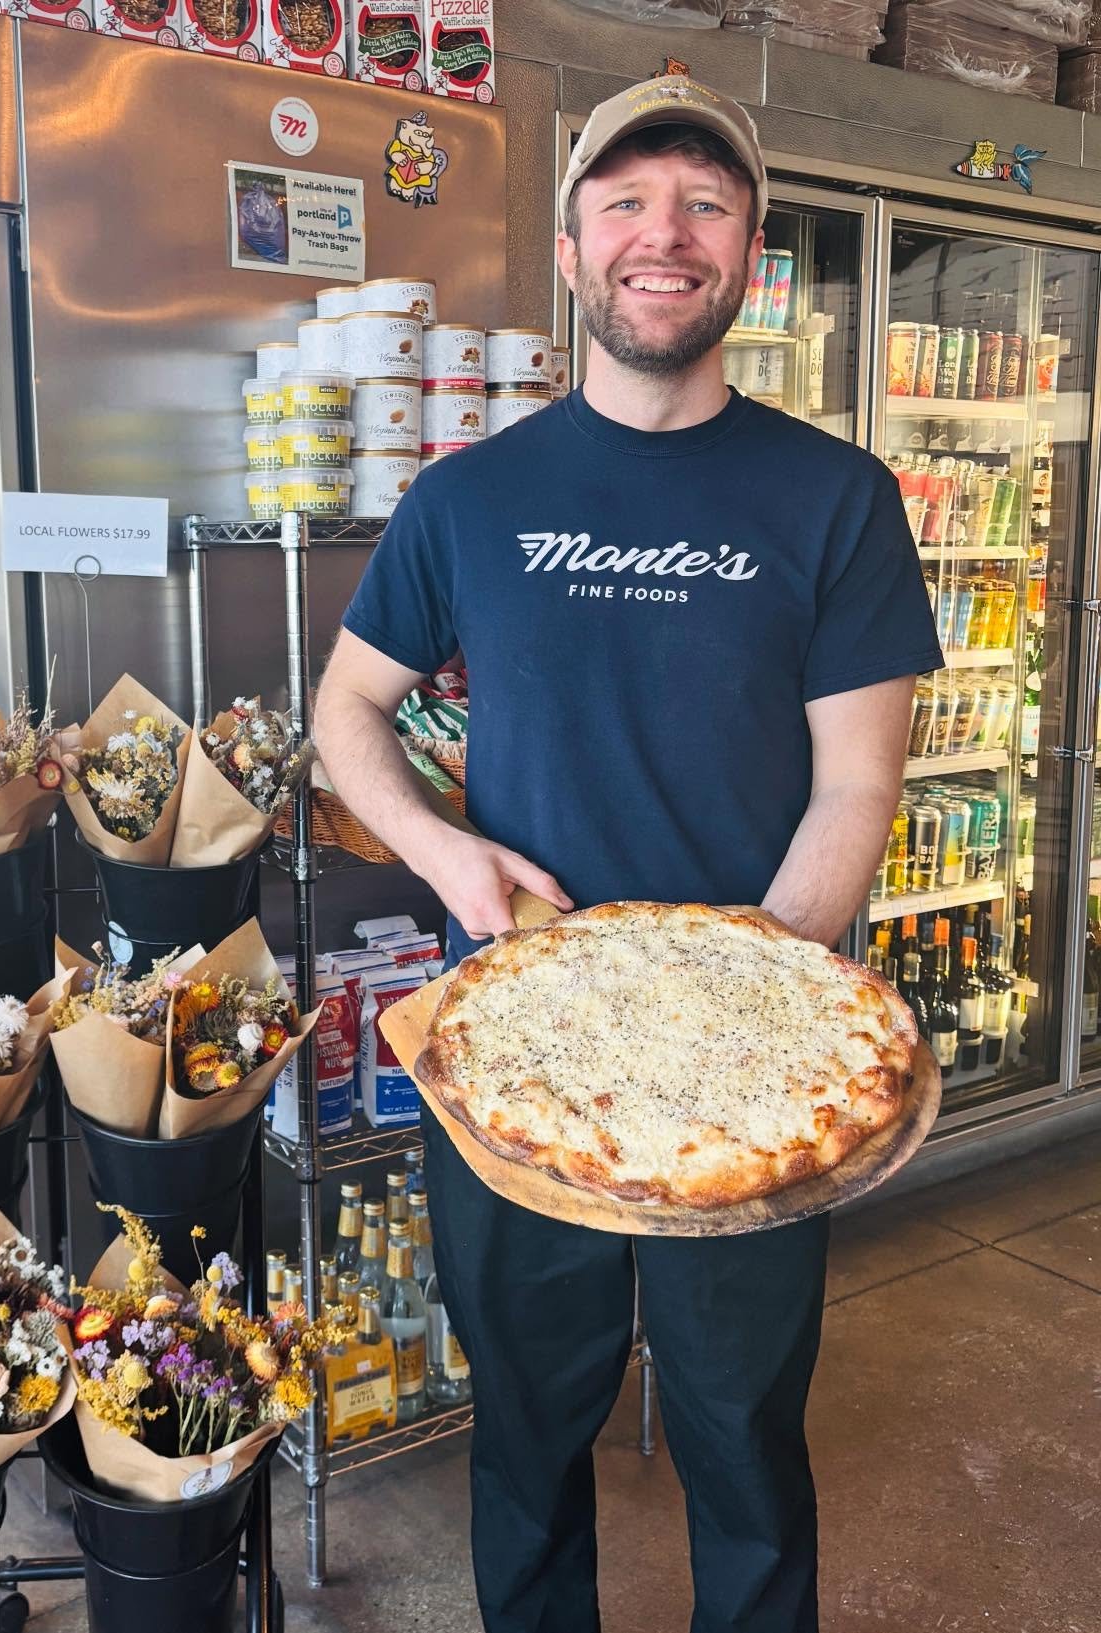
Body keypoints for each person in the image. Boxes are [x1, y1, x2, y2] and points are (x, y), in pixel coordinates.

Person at [314, 73, 943, 1633]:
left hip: (759, 1080)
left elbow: (857, 785)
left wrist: (757, 1008)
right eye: (627, 202)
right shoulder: (470, 498)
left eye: (705, 204)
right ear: (573, 249)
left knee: (744, 1439)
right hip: (516, 1058)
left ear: (749, 254)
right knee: (527, 1439)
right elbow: (345, 713)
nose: (665, 234)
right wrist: (449, 858)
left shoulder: (839, 499)